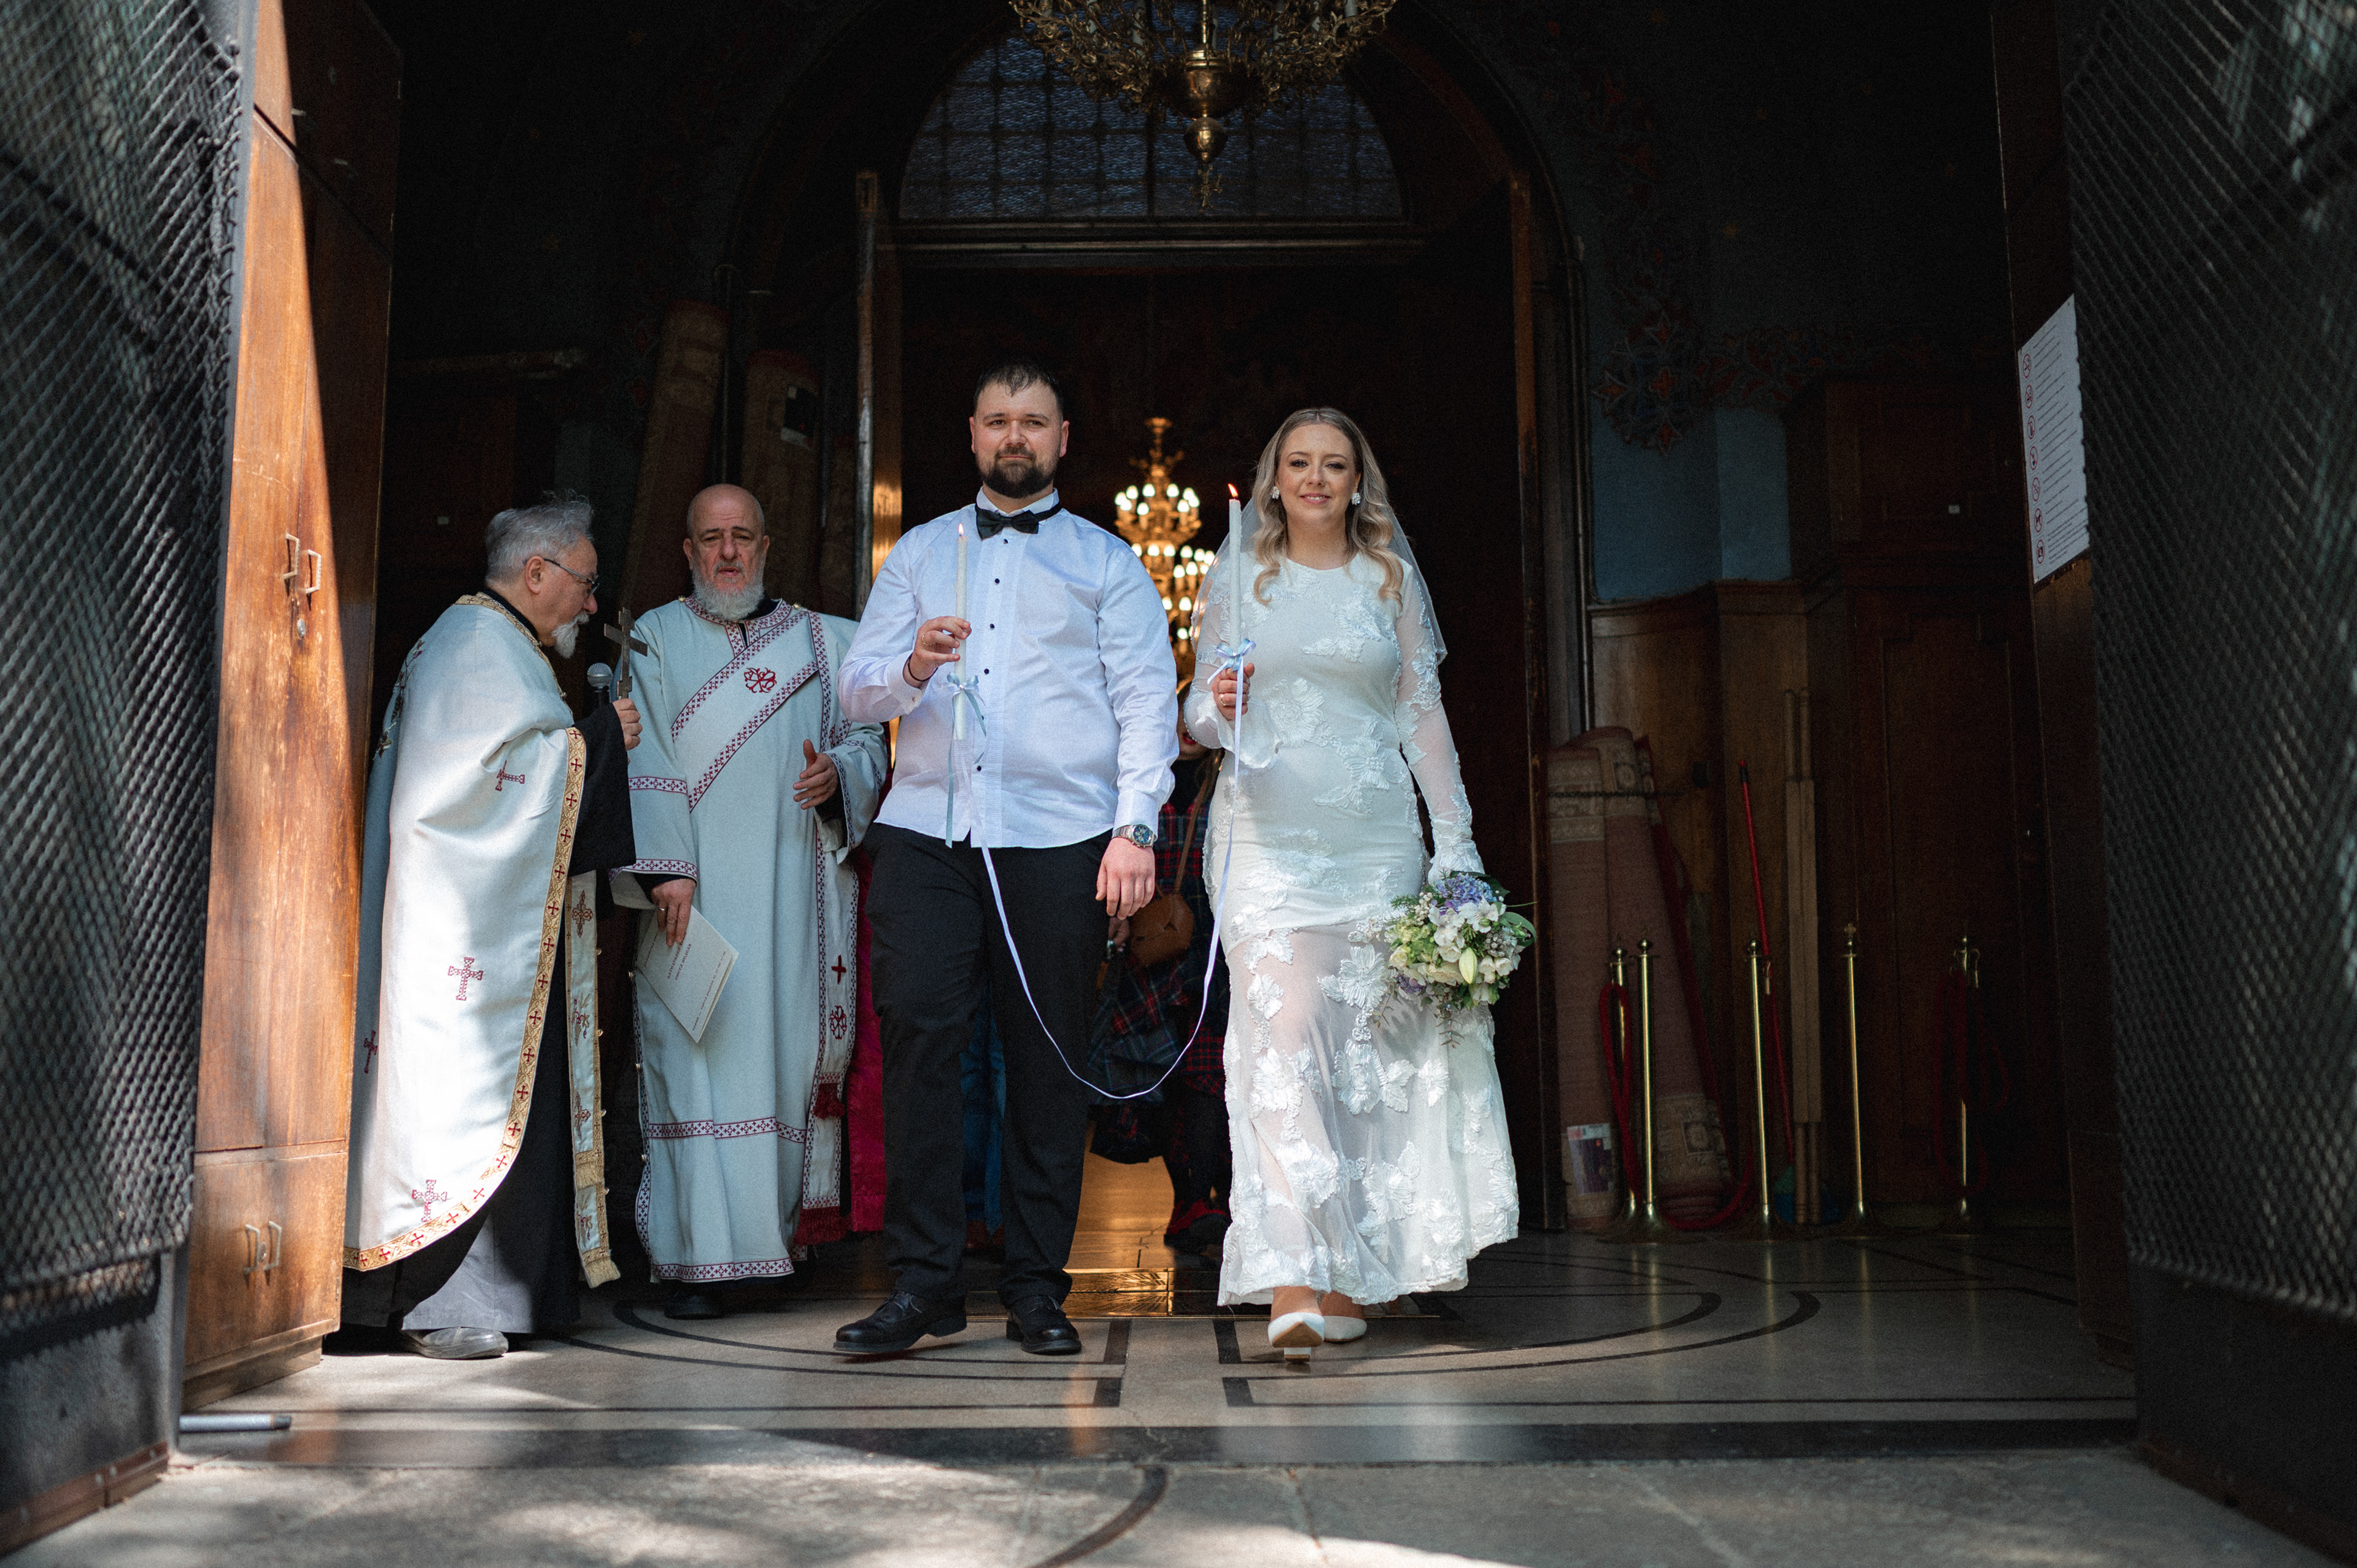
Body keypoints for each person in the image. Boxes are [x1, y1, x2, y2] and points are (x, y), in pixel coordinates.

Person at [836, 356, 1178, 1356]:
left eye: (1032, 421)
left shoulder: (1108, 562)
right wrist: (911, 666)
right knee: (920, 1045)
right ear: (974, 435)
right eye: (997, 420)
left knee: (1045, 1061)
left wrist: (1134, 830)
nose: (1014, 437)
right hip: (928, 832)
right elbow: (856, 690)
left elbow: (1147, 704)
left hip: (1062, 839)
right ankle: (924, 1283)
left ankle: (1036, 1286)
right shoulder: (919, 553)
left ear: (1062, 438)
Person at [1185, 407, 1519, 1359]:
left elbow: (1422, 714)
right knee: (1285, 1038)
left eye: (1334, 464)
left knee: (1370, 1057)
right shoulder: (1237, 575)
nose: (1316, 478)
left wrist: (1457, 846)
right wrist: (1214, 705)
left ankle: (1350, 1275)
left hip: (1375, 846)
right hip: (1268, 846)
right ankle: (1293, 1272)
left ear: (1358, 479)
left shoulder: (1388, 578)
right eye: (1299, 462)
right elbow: (1198, 716)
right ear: (1275, 477)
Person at [343, 493, 641, 1359]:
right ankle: (440, 1301)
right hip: (463, 936)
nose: (591, 601)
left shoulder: (491, 641)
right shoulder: (478, 644)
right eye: (585, 580)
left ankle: (509, 1295)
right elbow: (473, 795)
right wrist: (597, 740)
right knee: (460, 1102)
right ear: (537, 571)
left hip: (483, 925)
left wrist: (580, 744)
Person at [614, 484, 889, 1318]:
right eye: (712, 538)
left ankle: (772, 1246)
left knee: (780, 1062)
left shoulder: (827, 642)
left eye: (742, 536)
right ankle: (701, 1261)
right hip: (690, 901)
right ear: (688, 552)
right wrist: (668, 868)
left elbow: (870, 743)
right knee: (695, 1068)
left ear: (767, 546)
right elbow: (644, 756)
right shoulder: (655, 638)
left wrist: (837, 775)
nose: (728, 552)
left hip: (794, 903)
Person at [1092, 703, 1232, 1254]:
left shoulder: (1227, 784)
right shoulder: (1141, 790)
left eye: (1193, 718)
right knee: (1161, 1078)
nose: (1186, 729)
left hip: (1212, 952)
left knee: (1207, 1076)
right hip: (1152, 954)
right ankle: (1187, 1200)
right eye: (1177, 715)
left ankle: (1210, 1198)